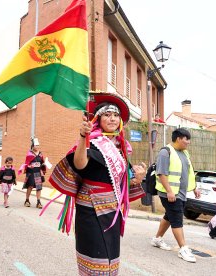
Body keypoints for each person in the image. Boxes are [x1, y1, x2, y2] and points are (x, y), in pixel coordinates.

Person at [49, 92, 146, 275]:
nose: (113, 118)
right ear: (99, 118)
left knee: (109, 257)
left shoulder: (120, 148)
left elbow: (124, 181)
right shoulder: (92, 142)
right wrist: (82, 137)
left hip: (113, 211)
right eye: (107, 114)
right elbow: (80, 164)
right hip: (91, 208)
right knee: (94, 257)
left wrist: (138, 178)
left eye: (116, 115)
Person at [150, 128, 200, 263]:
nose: (188, 142)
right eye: (186, 139)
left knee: (169, 216)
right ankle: (183, 248)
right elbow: (161, 173)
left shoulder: (184, 153)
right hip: (170, 194)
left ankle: (157, 239)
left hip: (181, 193)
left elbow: (188, 172)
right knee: (177, 219)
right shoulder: (165, 152)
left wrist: (194, 187)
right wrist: (169, 191)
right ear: (178, 138)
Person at [20, 137, 47, 209]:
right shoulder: (29, 154)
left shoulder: (40, 154)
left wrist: (44, 165)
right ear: (32, 146)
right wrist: (29, 166)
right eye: (36, 145)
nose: (37, 146)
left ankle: (38, 202)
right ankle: (27, 200)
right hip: (31, 172)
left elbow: (42, 163)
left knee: (39, 188)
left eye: (38, 145)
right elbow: (26, 164)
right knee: (30, 186)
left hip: (38, 172)